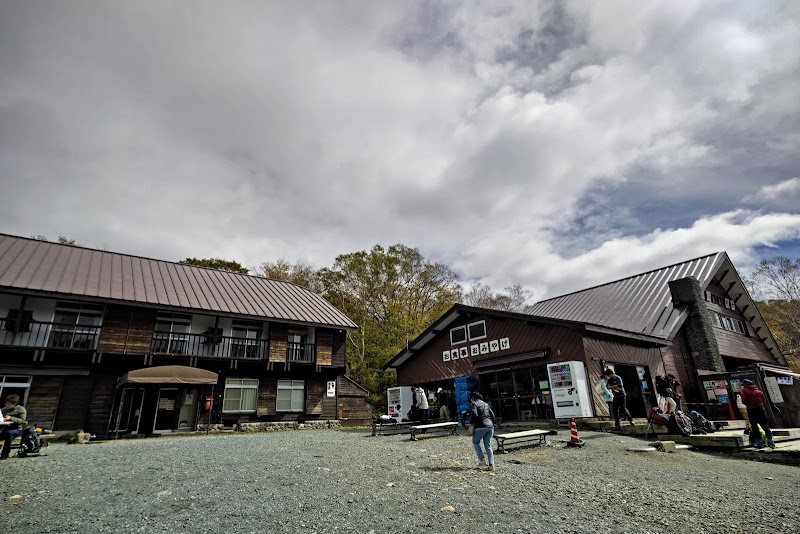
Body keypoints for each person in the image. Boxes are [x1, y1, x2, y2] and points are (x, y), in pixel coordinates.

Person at [739, 379, 776, 449]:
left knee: (754, 426)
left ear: (745, 385)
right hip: (761, 409)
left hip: (751, 410)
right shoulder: (758, 391)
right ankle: (771, 442)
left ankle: (760, 443)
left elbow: (744, 401)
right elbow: (764, 401)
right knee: (765, 426)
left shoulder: (744, 391)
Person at [469, 392, 497, 471]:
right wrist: (493, 424)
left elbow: (474, 414)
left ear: (472, 398)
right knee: (488, 445)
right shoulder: (486, 404)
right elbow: (493, 415)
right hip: (490, 426)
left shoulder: (474, 404)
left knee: (475, 442)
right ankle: (491, 465)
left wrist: (471, 424)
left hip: (480, 426)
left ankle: (482, 460)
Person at [1, 394, 27, 460]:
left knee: (9, 434)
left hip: (16, 429)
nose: (6, 405)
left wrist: (11, 418)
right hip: (4, 428)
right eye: (6, 403)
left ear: (14, 404)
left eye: (8, 404)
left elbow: (22, 421)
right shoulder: (3, 410)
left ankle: (5, 453)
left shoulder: (21, 410)